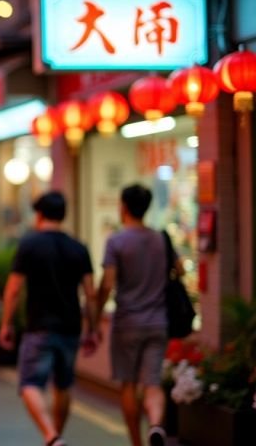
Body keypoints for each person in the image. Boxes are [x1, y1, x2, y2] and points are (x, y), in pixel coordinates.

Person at [0, 191, 99, 446]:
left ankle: (51, 435)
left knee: (29, 383)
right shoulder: (79, 247)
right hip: (70, 327)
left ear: (40, 214)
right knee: (63, 385)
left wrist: (6, 323)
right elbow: (90, 293)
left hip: (39, 327)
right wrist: (94, 328)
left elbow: (13, 288)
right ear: (63, 215)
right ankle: (56, 436)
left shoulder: (30, 244)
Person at [97, 184, 176, 446]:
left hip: (127, 323)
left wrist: (95, 316)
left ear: (124, 207)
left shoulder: (117, 241)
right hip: (158, 321)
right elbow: (179, 271)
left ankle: (136, 442)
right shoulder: (161, 238)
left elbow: (107, 283)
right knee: (152, 383)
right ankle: (155, 425)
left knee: (129, 383)